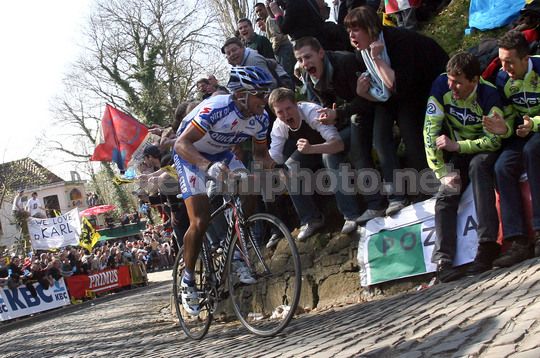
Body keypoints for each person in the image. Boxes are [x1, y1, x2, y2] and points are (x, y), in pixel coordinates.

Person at [173, 66, 276, 315]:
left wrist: (278, 170)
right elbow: (180, 144)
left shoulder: (261, 117)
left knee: (250, 185)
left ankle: (236, 252)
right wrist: (207, 166)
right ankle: (188, 279)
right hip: (190, 154)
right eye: (260, 94)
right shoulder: (217, 107)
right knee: (200, 219)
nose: (266, 99)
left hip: (221, 153)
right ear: (242, 94)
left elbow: (262, 156)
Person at [345, 6, 448, 214]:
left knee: (410, 130)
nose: (351, 36)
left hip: (425, 85)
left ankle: (429, 186)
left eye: (356, 29)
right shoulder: (360, 55)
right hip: (393, 96)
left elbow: (398, 84)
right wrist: (362, 93)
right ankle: (396, 195)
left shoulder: (398, 41)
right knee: (380, 137)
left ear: (371, 29)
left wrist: (377, 59)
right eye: (348, 31)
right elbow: (381, 93)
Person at [424, 52, 505, 282]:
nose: (453, 87)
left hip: (481, 149)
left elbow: (494, 140)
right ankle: (444, 260)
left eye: (458, 82)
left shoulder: (489, 94)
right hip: (457, 150)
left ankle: (488, 245)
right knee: (446, 192)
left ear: (474, 80)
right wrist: (440, 172)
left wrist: (458, 146)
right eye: (450, 80)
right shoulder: (441, 86)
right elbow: (429, 132)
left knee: (478, 168)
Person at [293, 36, 380, 225]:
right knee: (328, 154)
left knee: (357, 146)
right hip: (344, 120)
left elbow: (367, 100)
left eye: (308, 57)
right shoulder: (309, 77)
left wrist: (338, 112)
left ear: (321, 53)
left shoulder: (345, 62)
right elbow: (324, 105)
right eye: (300, 60)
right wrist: (327, 114)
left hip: (371, 112)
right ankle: (351, 215)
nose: (304, 63)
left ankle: (376, 203)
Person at [268, 87, 363, 239]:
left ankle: (351, 215)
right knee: (288, 168)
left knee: (328, 156)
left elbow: (337, 144)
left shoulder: (312, 112)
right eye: (280, 112)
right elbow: (274, 158)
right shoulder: (279, 126)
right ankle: (311, 219)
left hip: (342, 137)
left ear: (296, 104)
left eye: (289, 109)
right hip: (313, 149)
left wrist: (311, 149)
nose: (286, 115)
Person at [483, 30, 540, 267]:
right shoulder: (502, 78)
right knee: (502, 166)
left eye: (510, 62)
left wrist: (534, 124)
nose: (505, 67)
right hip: (521, 131)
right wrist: (502, 129)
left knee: (532, 152)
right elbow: (508, 118)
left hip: (536, 129)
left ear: (526, 59)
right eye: (501, 61)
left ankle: (538, 231)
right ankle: (517, 240)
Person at [254, 3, 296, 79]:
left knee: (288, 76)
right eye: (257, 12)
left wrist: (272, 51)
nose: (259, 13)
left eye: (260, 10)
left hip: (283, 49)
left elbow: (277, 37)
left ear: (265, 8)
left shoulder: (270, 19)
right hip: (282, 50)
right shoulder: (267, 20)